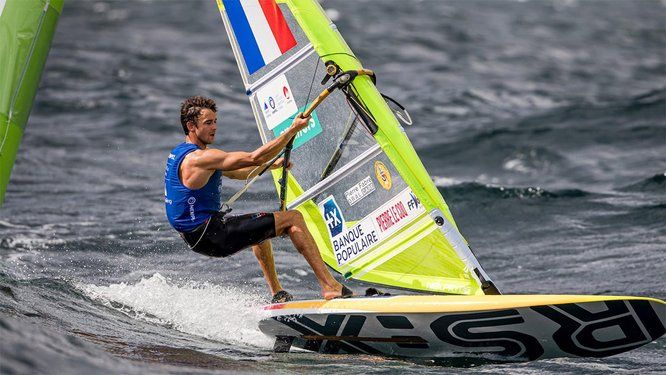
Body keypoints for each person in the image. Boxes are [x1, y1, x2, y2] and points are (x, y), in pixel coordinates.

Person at [164, 96, 352, 302]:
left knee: (259, 227)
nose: (214, 127)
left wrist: (273, 165)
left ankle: (277, 293)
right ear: (191, 126)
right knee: (293, 218)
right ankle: (330, 286)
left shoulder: (182, 153)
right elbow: (254, 158)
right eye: (208, 123)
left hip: (199, 236)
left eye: (215, 121)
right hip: (212, 235)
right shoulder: (200, 158)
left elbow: (238, 173)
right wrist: (292, 130)